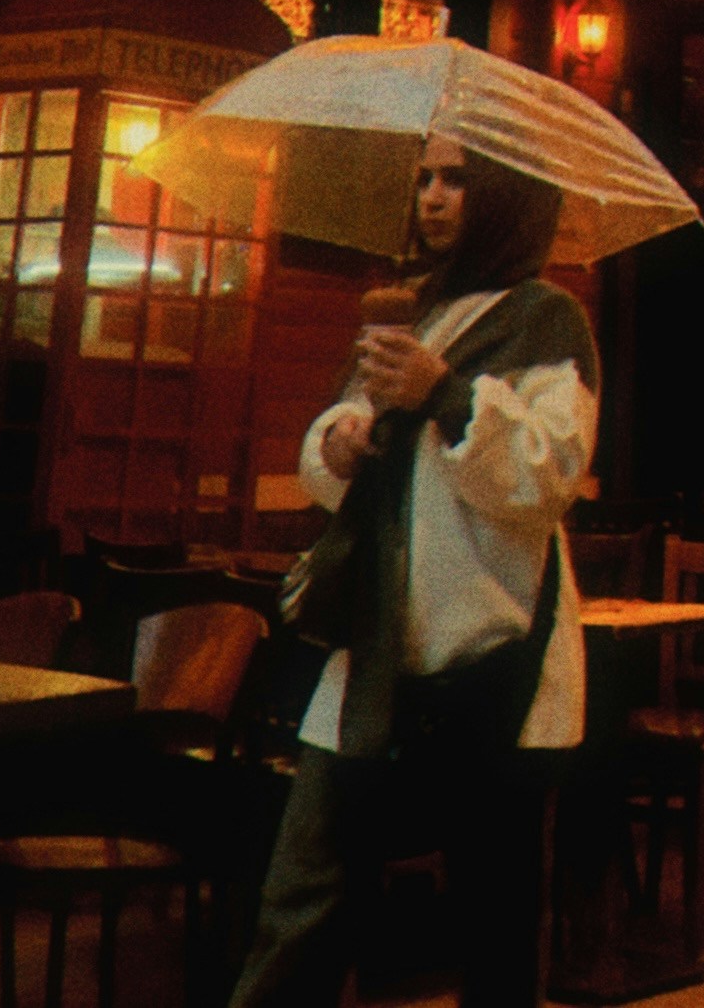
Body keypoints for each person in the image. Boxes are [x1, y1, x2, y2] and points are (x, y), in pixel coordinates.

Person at [231, 137, 594, 1008]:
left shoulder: (546, 318)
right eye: (425, 178)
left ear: (507, 195)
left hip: (492, 654)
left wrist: (448, 394)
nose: (431, 197)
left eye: (457, 180)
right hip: (373, 649)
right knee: (304, 895)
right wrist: (339, 444)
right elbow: (337, 442)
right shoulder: (413, 309)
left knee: (494, 918)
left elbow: (547, 476)